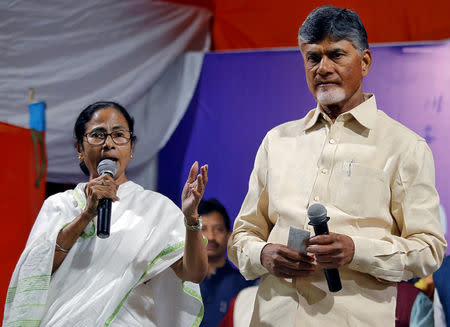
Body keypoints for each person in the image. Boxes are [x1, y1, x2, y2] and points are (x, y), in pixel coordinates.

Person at [228, 5, 447, 327]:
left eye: (336, 55)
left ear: (366, 61)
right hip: (273, 317)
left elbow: (428, 250)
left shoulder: (404, 146)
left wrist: (356, 251)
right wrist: (263, 255)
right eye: (313, 58)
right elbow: (242, 235)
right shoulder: (277, 141)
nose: (323, 68)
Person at [4, 101, 208, 326]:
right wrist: (86, 215)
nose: (108, 143)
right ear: (79, 149)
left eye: (119, 135)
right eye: (97, 135)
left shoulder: (156, 209)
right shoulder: (59, 206)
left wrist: (191, 219)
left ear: (131, 148)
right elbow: (34, 273)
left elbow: (194, 274)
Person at [198, 199, 256, 327]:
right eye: (203, 229)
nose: (210, 237)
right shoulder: (180, 281)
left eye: (218, 229)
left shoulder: (246, 284)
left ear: (229, 235)